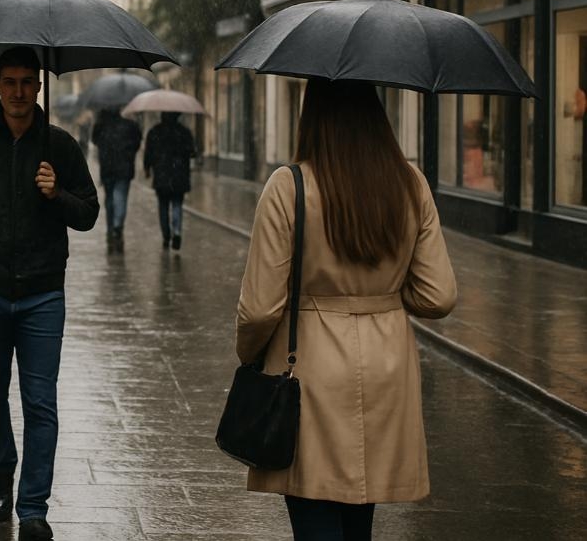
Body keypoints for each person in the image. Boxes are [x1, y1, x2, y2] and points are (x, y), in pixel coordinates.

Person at [235, 79, 457, 541]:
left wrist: (249, 355)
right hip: (388, 366)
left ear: (312, 115)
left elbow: (259, 309)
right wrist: (383, 294)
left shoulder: (290, 185)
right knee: (360, 515)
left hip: (310, 367)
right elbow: (437, 295)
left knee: (313, 510)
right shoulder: (410, 183)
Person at [0, 46, 98, 541]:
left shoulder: (60, 146)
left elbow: (88, 213)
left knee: (40, 402)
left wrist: (57, 194)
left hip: (43, 295)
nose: (19, 92)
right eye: (10, 82)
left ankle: (33, 509)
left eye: (28, 82)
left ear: (39, 86)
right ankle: (2, 470)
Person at [90, 107, 142, 253]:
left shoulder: (101, 125)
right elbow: (137, 142)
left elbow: (94, 140)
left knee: (109, 199)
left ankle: (110, 228)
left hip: (108, 167)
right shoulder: (130, 125)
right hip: (124, 167)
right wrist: (128, 152)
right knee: (121, 197)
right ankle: (118, 226)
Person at [143, 111, 196, 250]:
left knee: (163, 206)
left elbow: (148, 153)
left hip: (162, 176)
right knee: (177, 204)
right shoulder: (184, 132)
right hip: (179, 175)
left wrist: (147, 168)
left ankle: (166, 235)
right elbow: (192, 152)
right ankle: (177, 232)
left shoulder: (155, 132)